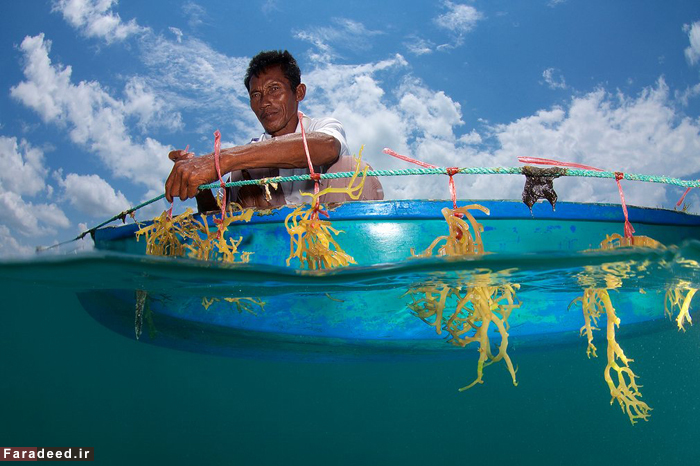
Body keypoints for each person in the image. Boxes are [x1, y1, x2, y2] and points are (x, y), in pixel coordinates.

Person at [165, 50, 383, 211]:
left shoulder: (322, 128)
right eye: (256, 95)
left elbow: (327, 147)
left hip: (328, 248)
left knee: (352, 168)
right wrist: (199, 185)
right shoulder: (247, 157)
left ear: (299, 93)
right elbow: (216, 221)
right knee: (242, 175)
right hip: (269, 253)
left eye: (274, 89)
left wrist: (221, 160)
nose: (264, 102)